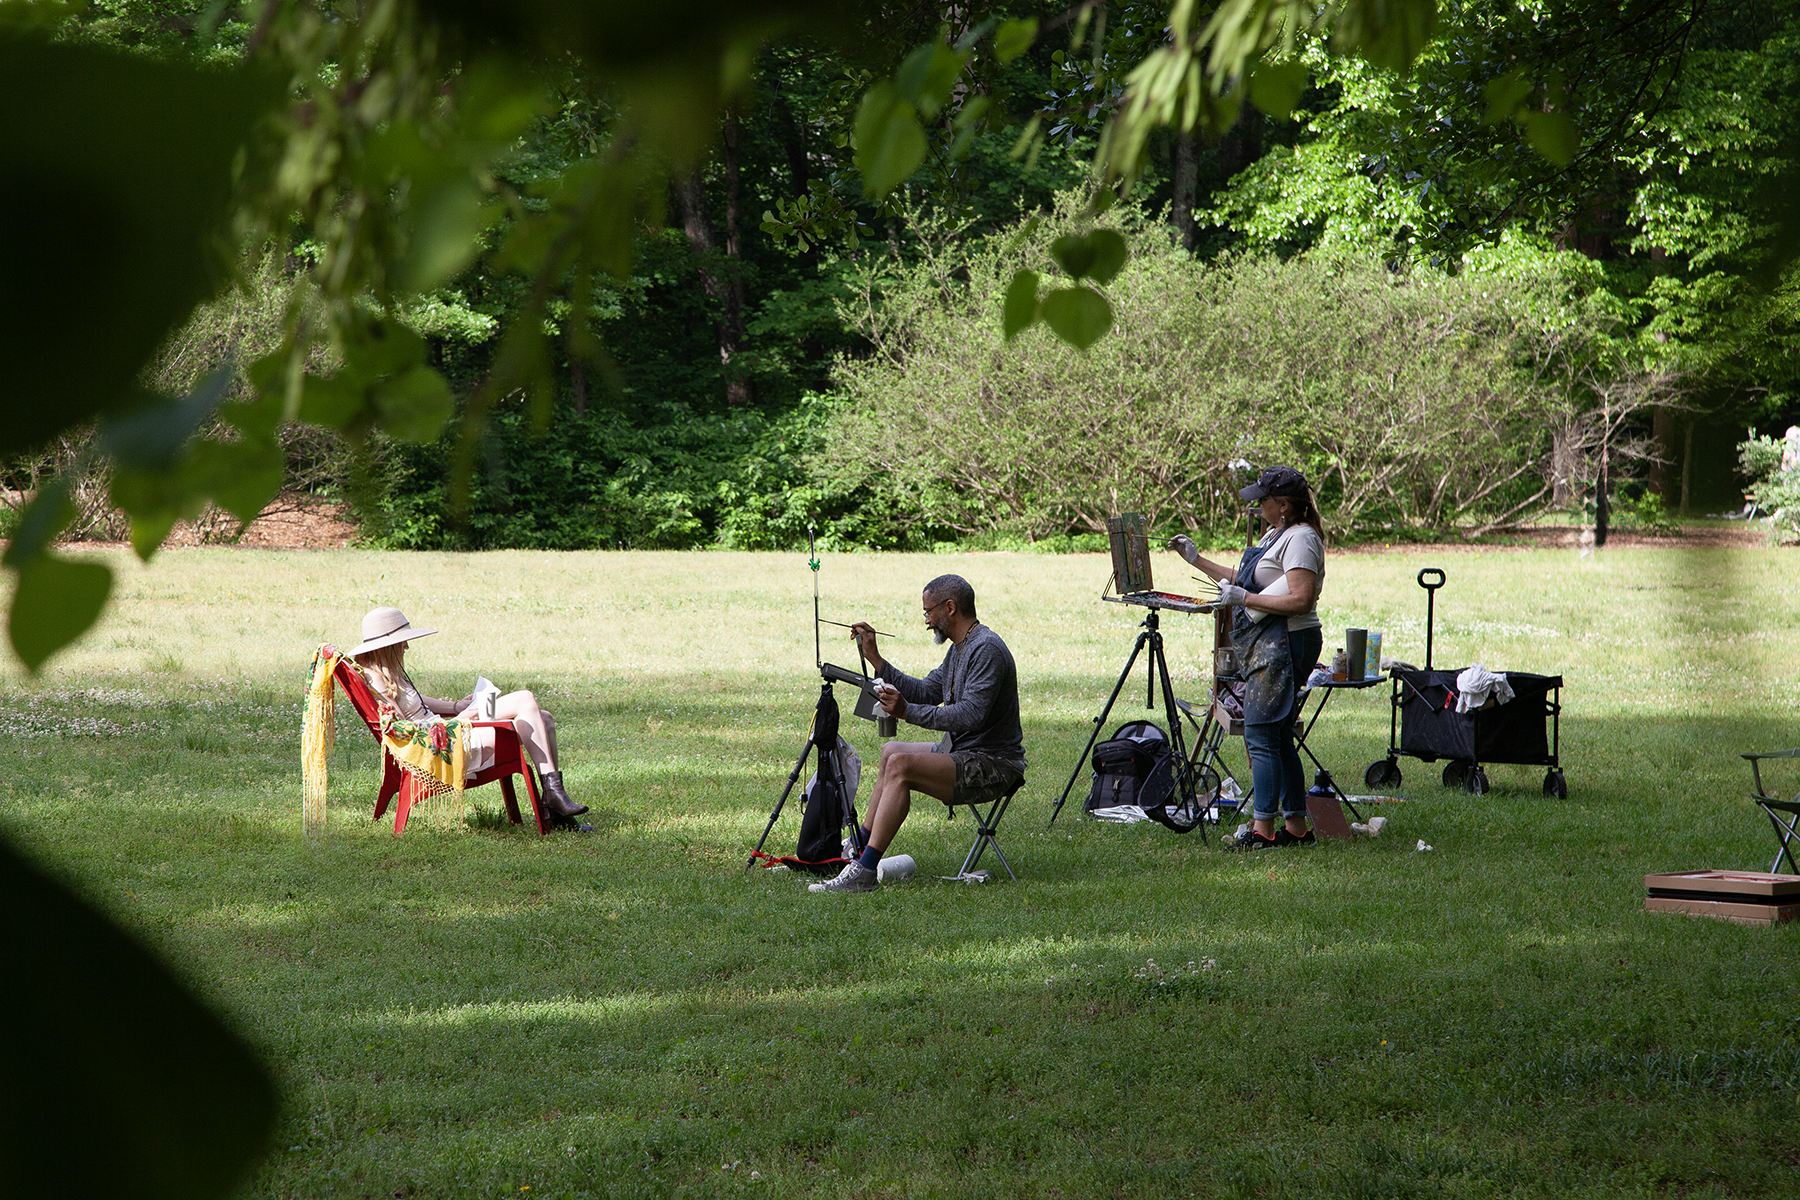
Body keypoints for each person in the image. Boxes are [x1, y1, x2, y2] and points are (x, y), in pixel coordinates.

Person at [810, 574, 1026, 893]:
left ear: (950, 608)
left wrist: (905, 711)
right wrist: (875, 659)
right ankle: (858, 847)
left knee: (901, 765)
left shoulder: (986, 649)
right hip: (963, 753)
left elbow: (970, 714)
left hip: (993, 765)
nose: (926, 620)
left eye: (928, 611)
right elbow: (925, 691)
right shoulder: (960, 648)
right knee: (891, 752)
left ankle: (865, 872)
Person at [1168, 466, 1325, 850]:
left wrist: (1245, 600)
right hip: (1270, 640)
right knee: (1278, 735)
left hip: (1287, 641)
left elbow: (1301, 598)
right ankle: (1296, 829)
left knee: (1260, 732)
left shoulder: (1302, 539)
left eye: (1262, 500)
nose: (1256, 506)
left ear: (1283, 504)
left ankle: (1263, 832)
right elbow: (1248, 577)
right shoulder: (1279, 533)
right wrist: (1197, 560)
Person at [346, 606, 588, 822]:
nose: (407, 646)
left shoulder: (384, 671)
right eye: (402, 641)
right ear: (387, 645)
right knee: (524, 699)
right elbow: (401, 731)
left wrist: (454, 708)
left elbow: (415, 704)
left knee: (543, 718)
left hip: (446, 731)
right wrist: (456, 723)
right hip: (444, 744)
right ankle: (554, 796)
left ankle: (554, 807)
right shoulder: (374, 678)